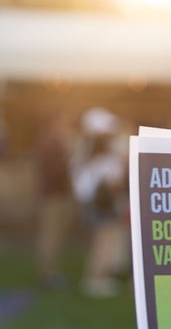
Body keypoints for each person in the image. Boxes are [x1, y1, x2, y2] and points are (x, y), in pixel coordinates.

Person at [72, 107, 128, 298]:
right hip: (101, 203)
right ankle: (95, 279)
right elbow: (113, 181)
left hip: (96, 202)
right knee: (104, 240)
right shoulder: (101, 154)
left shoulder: (87, 151)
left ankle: (100, 277)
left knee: (106, 240)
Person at [33, 112, 77, 289]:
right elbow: (56, 171)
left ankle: (50, 271)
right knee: (50, 235)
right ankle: (48, 274)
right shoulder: (51, 142)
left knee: (52, 235)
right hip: (54, 195)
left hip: (53, 194)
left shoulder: (49, 140)